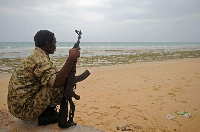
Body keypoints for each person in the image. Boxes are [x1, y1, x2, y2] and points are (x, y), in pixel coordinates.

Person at [7, 30, 80, 126]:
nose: (55, 46)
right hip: (24, 109)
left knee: (58, 79)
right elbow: (56, 82)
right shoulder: (40, 60)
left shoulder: (37, 55)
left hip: (17, 105)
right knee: (58, 86)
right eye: (54, 43)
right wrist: (70, 58)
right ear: (48, 44)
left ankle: (45, 111)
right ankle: (47, 115)